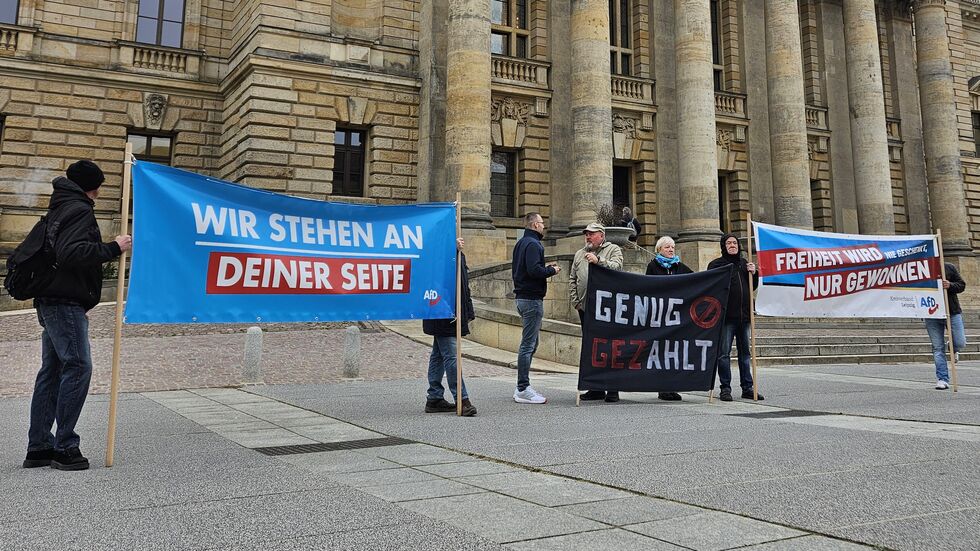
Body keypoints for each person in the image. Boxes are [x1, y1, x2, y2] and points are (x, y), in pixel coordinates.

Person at [24, 160, 132, 471]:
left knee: (53, 370)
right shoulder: (79, 209)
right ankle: (65, 446)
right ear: (91, 185)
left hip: (53, 300)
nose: (99, 191)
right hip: (63, 301)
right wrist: (113, 247)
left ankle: (39, 446)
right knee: (79, 366)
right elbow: (72, 254)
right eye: (98, 185)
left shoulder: (60, 205)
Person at [422, 238, 478, 415]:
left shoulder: (458, 254)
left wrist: (468, 309)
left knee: (438, 355)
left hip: (451, 311)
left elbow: (463, 285)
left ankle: (434, 397)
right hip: (442, 311)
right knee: (451, 355)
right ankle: (462, 399)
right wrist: (451, 250)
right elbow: (435, 271)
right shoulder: (438, 253)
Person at [570, 222, 624, 402]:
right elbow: (572, 278)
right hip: (585, 308)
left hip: (607, 309)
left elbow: (617, 268)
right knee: (591, 348)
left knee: (610, 347)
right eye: (586, 234)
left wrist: (599, 260)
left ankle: (613, 389)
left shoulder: (613, 249)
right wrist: (576, 301)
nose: (588, 237)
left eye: (591, 234)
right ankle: (595, 388)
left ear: (601, 235)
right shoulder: (579, 254)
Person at [707, 233, 764, 402]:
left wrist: (754, 274)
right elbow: (711, 287)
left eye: (735, 243)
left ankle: (747, 387)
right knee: (723, 354)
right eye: (729, 243)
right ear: (723, 246)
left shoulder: (745, 264)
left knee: (745, 354)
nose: (732, 245)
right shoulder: (716, 265)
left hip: (745, 317)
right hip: (726, 317)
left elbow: (751, 287)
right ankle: (725, 388)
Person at [511, 212, 561, 404]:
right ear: (534, 225)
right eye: (541, 223)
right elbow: (534, 271)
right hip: (531, 299)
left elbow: (527, 268)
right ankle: (522, 388)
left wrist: (544, 267)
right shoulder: (533, 244)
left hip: (524, 298)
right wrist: (552, 270)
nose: (543, 226)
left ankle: (523, 386)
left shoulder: (522, 243)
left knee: (531, 344)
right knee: (528, 345)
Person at [644, 235, 692, 402]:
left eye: (672, 247)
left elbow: (697, 281)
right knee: (662, 352)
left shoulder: (680, 266)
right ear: (659, 250)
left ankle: (672, 386)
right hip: (660, 316)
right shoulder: (653, 266)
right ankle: (662, 388)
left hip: (676, 317)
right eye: (667, 247)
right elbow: (647, 289)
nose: (671, 250)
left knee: (674, 353)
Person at [925, 263, 966, 390]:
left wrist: (950, 285)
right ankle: (942, 379)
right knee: (937, 347)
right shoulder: (922, 267)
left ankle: (953, 347)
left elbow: (962, 285)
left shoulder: (948, 267)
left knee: (960, 342)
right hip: (931, 313)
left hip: (952, 311)